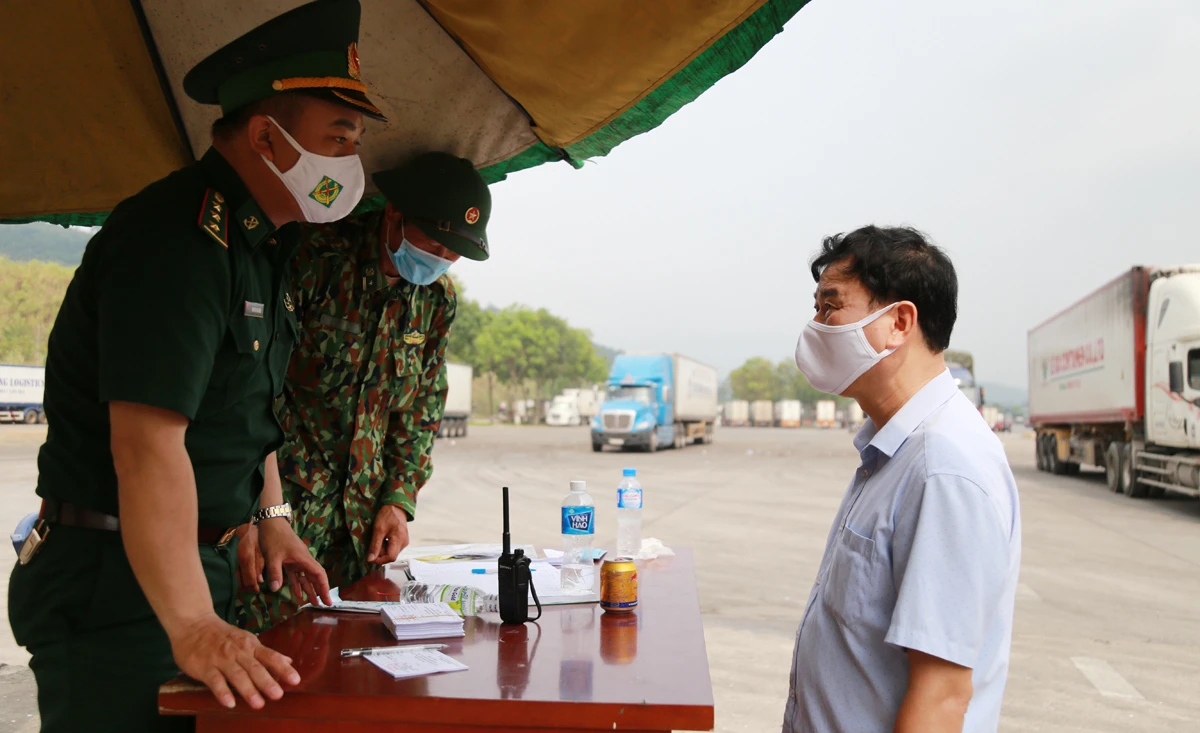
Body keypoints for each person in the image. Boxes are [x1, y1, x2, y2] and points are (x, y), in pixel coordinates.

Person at [7, 1, 387, 730]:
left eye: (356, 142)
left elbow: (247, 411)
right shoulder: (176, 243)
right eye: (337, 139)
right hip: (117, 587)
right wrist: (189, 619)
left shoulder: (259, 248)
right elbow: (147, 444)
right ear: (266, 139)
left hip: (188, 573)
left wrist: (272, 516)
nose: (350, 163)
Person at [236, 152, 492, 632]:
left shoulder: (435, 300)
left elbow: (419, 411)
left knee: (354, 661)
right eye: (433, 241)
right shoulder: (313, 259)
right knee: (275, 653)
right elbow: (250, 392)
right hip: (283, 517)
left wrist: (397, 499)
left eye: (454, 250)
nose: (440, 257)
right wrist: (258, 513)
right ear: (394, 215)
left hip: (361, 531)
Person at [785, 226, 1022, 733]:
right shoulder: (893, 449)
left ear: (898, 321)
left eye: (831, 306)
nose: (816, 324)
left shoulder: (944, 468)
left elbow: (941, 697)